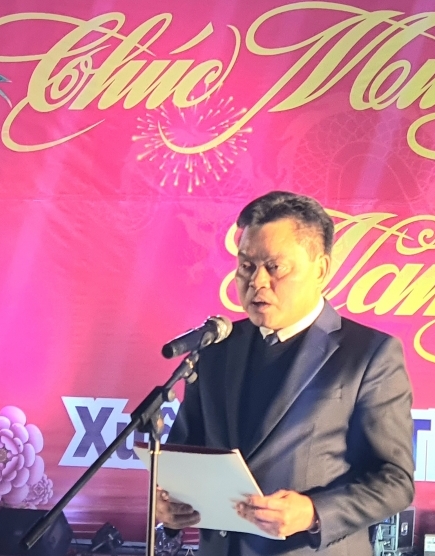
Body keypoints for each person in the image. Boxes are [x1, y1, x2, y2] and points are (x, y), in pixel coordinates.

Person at [157, 191, 415, 556]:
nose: (257, 281)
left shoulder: (369, 354)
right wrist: (169, 504)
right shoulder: (216, 348)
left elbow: (395, 480)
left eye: (274, 267)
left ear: (321, 269)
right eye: (246, 266)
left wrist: (314, 513)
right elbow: (186, 452)